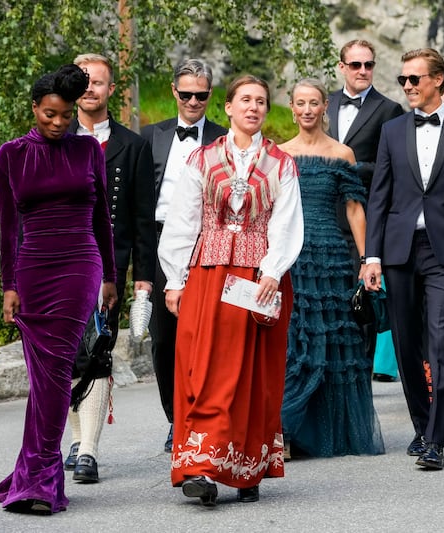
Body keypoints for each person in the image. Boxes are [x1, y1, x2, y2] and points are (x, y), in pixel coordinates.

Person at [158, 75, 303, 507]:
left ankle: (245, 466)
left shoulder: (281, 163)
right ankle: (201, 465)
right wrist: (174, 278)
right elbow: (183, 219)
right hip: (209, 272)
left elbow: (287, 221)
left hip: (258, 278)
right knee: (204, 370)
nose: (253, 107)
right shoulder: (202, 159)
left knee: (253, 374)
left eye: (261, 101)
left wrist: (274, 272)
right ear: (228, 108)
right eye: (245, 100)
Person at [0, 64, 117, 515]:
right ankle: (30, 470)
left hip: (80, 263)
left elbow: (103, 220)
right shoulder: (11, 155)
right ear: (35, 109)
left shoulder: (89, 152)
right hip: (32, 269)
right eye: (49, 115)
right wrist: (8, 285)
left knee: (59, 369)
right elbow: (8, 229)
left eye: (65, 116)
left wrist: (111, 277)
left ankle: (43, 480)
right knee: (43, 377)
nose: (59, 123)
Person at [363, 48, 444, 471]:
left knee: (441, 340)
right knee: (406, 343)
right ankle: (422, 427)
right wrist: (372, 255)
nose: (407, 86)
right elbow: (379, 197)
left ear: (438, 79)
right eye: (403, 79)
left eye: (415, 79)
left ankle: (437, 439)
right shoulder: (392, 130)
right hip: (400, 251)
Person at [61, 54, 157, 483]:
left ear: (111, 90)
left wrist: (142, 277)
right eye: (83, 82)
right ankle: (77, 440)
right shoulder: (55, 135)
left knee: (98, 351)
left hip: (108, 270)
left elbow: (142, 218)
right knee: (64, 356)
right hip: (58, 264)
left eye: (97, 83)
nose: (89, 90)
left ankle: (89, 450)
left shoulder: (132, 145)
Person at [279, 78, 384, 457]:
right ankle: (286, 431)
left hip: (332, 255)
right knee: (295, 340)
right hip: (291, 255)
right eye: (300, 103)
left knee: (332, 342)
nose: (307, 110)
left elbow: (355, 208)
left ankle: (329, 432)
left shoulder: (343, 153)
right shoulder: (278, 153)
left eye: (314, 103)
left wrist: (366, 259)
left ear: (325, 107)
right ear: (291, 108)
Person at [141, 59, 228, 452]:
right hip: (160, 241)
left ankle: (202, 418)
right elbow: (138, 201)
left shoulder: (226, 139)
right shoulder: (150, 137)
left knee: (207, 335)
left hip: (209, 240)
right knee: (163, 337)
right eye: (187, 93)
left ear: (211, 95)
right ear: (174, 92)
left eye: (202, 94)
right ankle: (175, 419)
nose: (194, 100)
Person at [325, 39, 404, 380]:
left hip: (365, 220)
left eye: (368, 65)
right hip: (322, 218)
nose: (362, 71)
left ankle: (359, 387)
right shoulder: (322, 104)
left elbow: (396, 168)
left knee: (361, 304)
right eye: (355, 64)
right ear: (341, 67)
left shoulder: (390, 111)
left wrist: (355, 167)